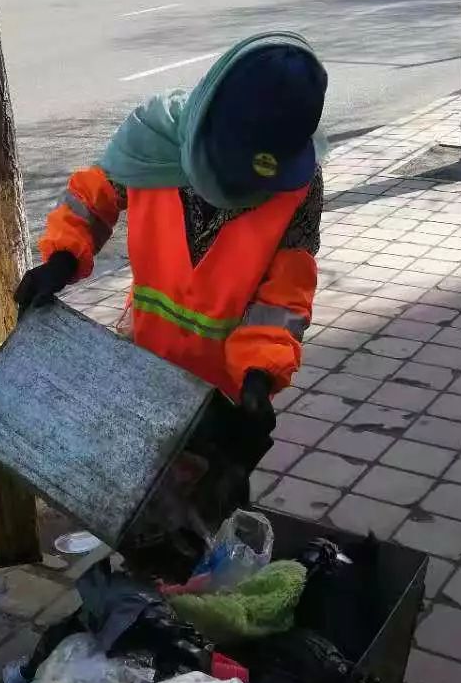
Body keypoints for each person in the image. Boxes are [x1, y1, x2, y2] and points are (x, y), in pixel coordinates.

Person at [17, 30, 326, 448]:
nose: (240, 189)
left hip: (219, 393)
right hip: (141, 359)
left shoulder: (297, 190)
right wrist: (61, 260)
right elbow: (97, 195)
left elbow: (284, 295)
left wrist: (260, 374)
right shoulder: (153, 143)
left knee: (207, 505)